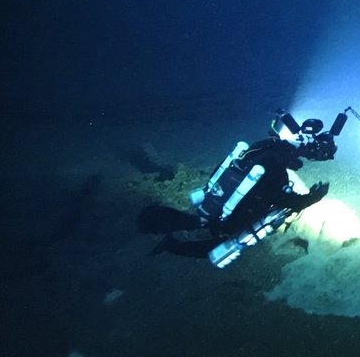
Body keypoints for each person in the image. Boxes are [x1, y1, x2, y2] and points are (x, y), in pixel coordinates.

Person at [138, 109, 341, 268]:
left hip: (220, 196)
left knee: (199, 221)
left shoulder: (266, 146)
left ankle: (156, 220)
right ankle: (170, 245)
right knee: (217, 245)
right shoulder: (276, 166)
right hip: (238, 212)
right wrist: (314, 197)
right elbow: (284, 200)